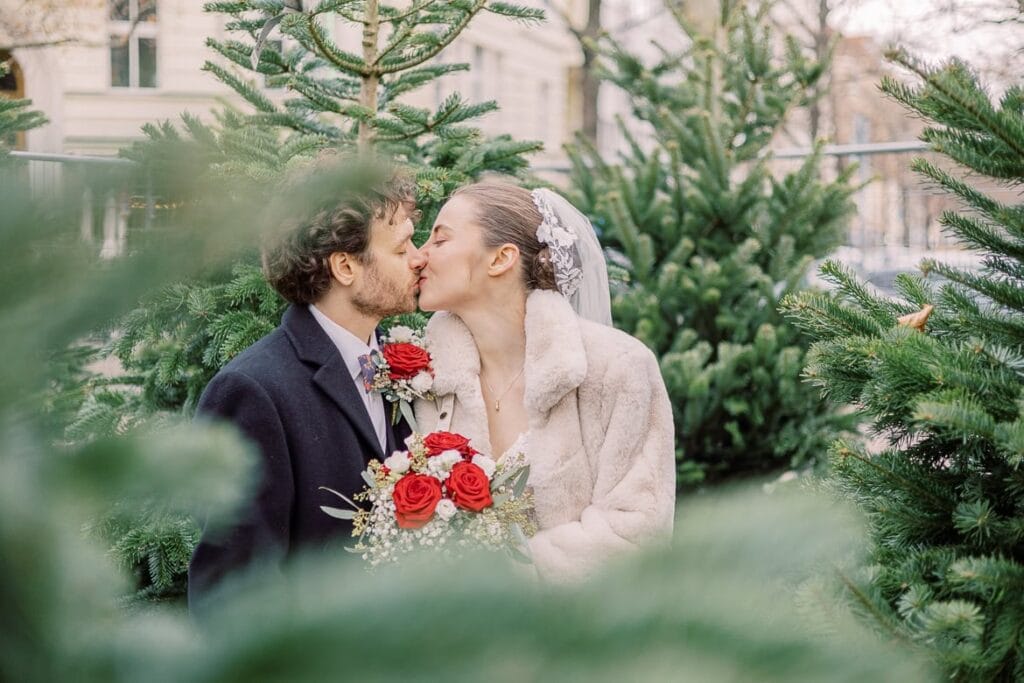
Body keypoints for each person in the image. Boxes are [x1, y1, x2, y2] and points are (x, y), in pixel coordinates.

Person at [188, 160, 425, 612]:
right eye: (401, 249)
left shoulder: (410, 369)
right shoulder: (252, 390)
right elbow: (235, 594)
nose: (419, 258)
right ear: (345, 266)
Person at [414, 181, 676, 583]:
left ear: (501, 259)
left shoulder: (618, 367)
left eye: (440, 239)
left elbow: (636, 531)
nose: (419, 256)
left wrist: (506, 578)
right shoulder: (422, 378)